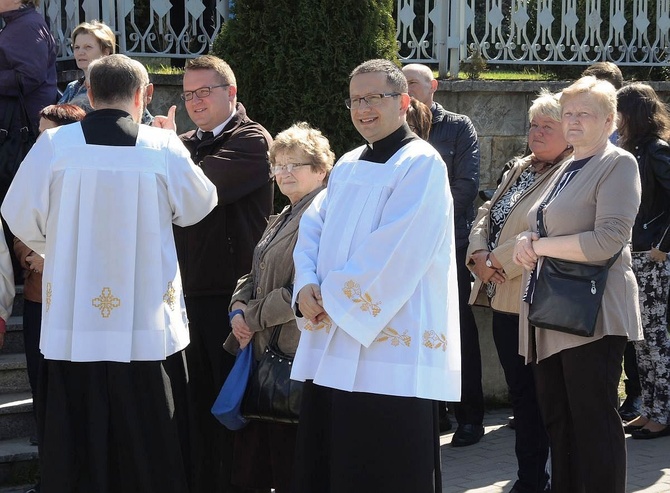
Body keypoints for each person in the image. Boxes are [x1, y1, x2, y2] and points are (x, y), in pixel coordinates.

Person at [1, 54, 217, 492]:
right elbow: (199, 206)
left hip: (76, 318)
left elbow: (17, 213)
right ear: (143, 96)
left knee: (79, 423)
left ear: (91, 94)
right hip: (145, 320)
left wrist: (60, 251)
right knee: (149, 423)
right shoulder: (163, 147)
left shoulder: (54, 146)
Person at [290, 58, 461, 493]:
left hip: (390, 351)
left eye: (373, 98)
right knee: (333, 464)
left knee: (385, 467)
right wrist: (306, 284)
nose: (362, 108)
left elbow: (399, 248)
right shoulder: (346, 164)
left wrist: (331, 297)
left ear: (404, 101)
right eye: (354, 100)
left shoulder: (421, 164)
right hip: (332, 339)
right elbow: (312, 226)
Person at [513, 76, 642, 493]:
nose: (573, 121)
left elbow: (608, 240)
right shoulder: (567, 166)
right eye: (568, 113)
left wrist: (542, 246)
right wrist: (525, 240)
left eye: (584, 113)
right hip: (551, 312)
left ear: (609, 120)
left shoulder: (618, 163)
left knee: (593, 421)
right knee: (559, 421)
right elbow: (542, 224)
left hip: (594, 312)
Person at [153, 54, 273, 492]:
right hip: (184, 295)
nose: (195, 102)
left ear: (231, 93)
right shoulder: (183, 143)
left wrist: (169, 150)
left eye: (205, 91)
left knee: (233, 407)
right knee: (195, 405)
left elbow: (199, 189)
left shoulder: (253, 140)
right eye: (188, 94)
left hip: (233, 298)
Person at [468, 89, 571, 493]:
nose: (537, 133)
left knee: (537, 399)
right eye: (534, 125)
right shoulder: (522, 166)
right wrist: (477, 253)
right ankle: (530, 476)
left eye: (548, 126)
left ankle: (535, 480)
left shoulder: (568, 172)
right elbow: (486, 210)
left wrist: (495, 262)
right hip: (503, 301)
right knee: (520, 396)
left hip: (535, 300)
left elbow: (543, 229)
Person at [223, 122, 334, 493]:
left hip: (293, 354)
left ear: (320, 169)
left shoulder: (322, 215)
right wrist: (238, 306)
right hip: (262, 352)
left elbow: (302, 291)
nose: (284, 172)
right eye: (278, 165)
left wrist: (250, 318)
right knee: (258, 463)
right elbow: (255, 270)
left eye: (294, 165)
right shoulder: (284, 213)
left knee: (289, 466)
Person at [403, 62, 483, 445]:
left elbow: (467, 185)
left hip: (453, 244)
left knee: (459, 331)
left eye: (413, 84)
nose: (408, 90)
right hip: (407, 250)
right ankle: (434, 415)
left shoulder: (458, 126)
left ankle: (470, 417)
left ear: (433, 86)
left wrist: (426, 219)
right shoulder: (394, 132)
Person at [13, 103, 85, 448]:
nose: (41, 139)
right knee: (40, 379)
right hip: (37, 298)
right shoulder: (33, 168)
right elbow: (16, 227)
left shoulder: (85, 168)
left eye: (48, 133)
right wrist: (31, 255)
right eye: (38, 133)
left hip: (75, 300)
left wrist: (51, 258)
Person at [616, 83, 670, 440]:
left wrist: (663, 247)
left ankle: (662, 414)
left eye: (618, 111)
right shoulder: (632, 149)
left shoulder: (656, 151)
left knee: (656, 340)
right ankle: (649, 409)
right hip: (634, 255)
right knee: (641, 341)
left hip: (652, 258)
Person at [0, 0, 56, 199]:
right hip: (15, 130)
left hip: (19, 132)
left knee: (15, 208)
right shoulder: (20, 24)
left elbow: (30, 76)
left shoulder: (26, 25)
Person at [58, 20, 155, 125]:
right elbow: (55, 119)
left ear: (106, 51)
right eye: (76, 47)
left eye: (88, 47)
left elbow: (145, 120)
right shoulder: (73, 87)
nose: (80, 52)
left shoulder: (117, 84)